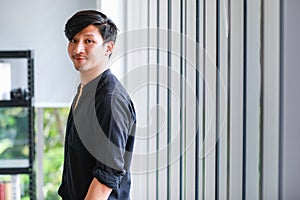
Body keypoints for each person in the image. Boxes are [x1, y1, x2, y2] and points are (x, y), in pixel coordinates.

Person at [58, 10, 136, 200]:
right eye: (73, 40)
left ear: (108, 48)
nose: (78, 49)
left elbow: (106, 178)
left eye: (88, 41)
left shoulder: (109, 98)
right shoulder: (85, 90)